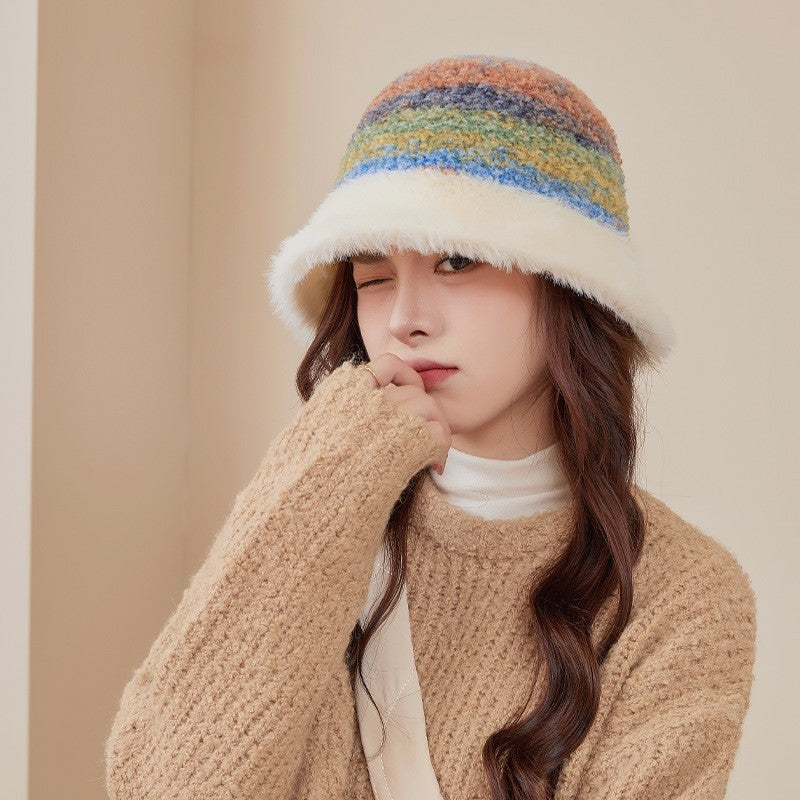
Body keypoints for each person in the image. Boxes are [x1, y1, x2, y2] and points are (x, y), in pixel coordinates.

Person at [104, 54, 756, 800]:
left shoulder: (683, 594)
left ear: (569, 283)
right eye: (374, 278)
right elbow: (160, 787)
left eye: (457, 262)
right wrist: (324, 478)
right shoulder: (313, 515)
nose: (406, 320)